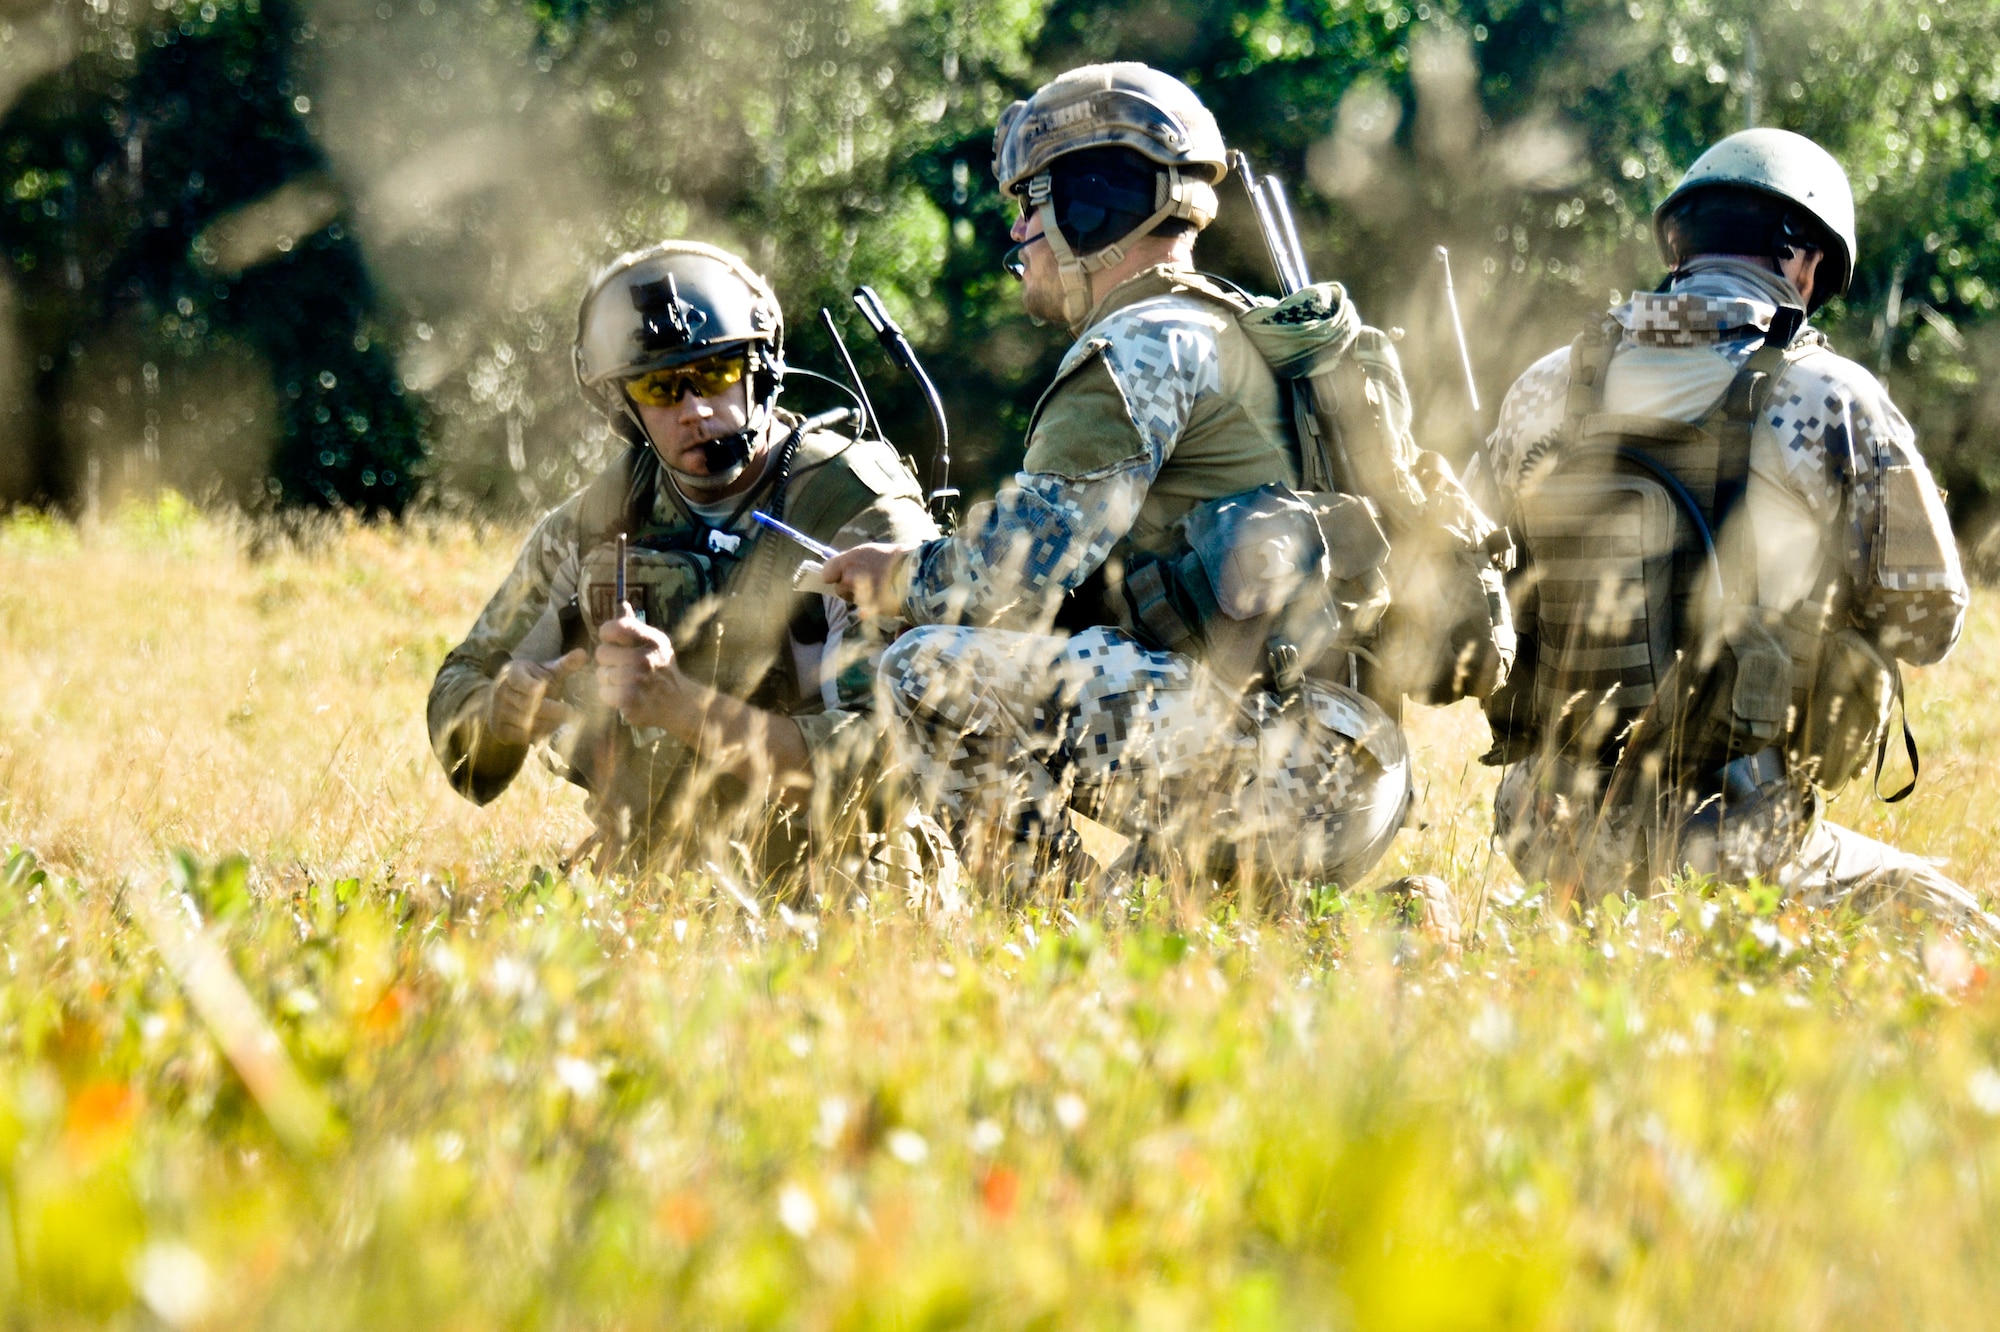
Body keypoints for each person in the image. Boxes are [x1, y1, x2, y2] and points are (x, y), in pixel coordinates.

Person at [823, 63, 1412, 890]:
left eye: (1030, 205)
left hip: (1276, 755)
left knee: (924, 666)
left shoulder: (1139, 347)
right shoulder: (1228, 325)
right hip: (1341, 760)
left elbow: (1008, 580)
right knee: (1148, 935)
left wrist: (893, 575)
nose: (1020, 235)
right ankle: (1395, 926)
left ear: (1087, 203)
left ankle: (1031, 922)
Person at [1478, 127, 1989, 926]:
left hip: (1545, 820)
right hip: (1732, 833)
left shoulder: (1544, 386)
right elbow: (1929, 624)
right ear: (1806, 260)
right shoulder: (1829, 393)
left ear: (1680, 240)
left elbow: (1483, 588)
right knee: (1966, 935)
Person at [428, 241, 938, 875]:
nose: (695, 409)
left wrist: (683, 707)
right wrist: (499, 716)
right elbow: (460, 690)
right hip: (654, 876)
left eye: (718, 373)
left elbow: (890, 769)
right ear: (625, 407)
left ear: (761, 369)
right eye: (659, 387)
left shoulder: (854, 510)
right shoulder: (600, 519)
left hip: (849, 880)